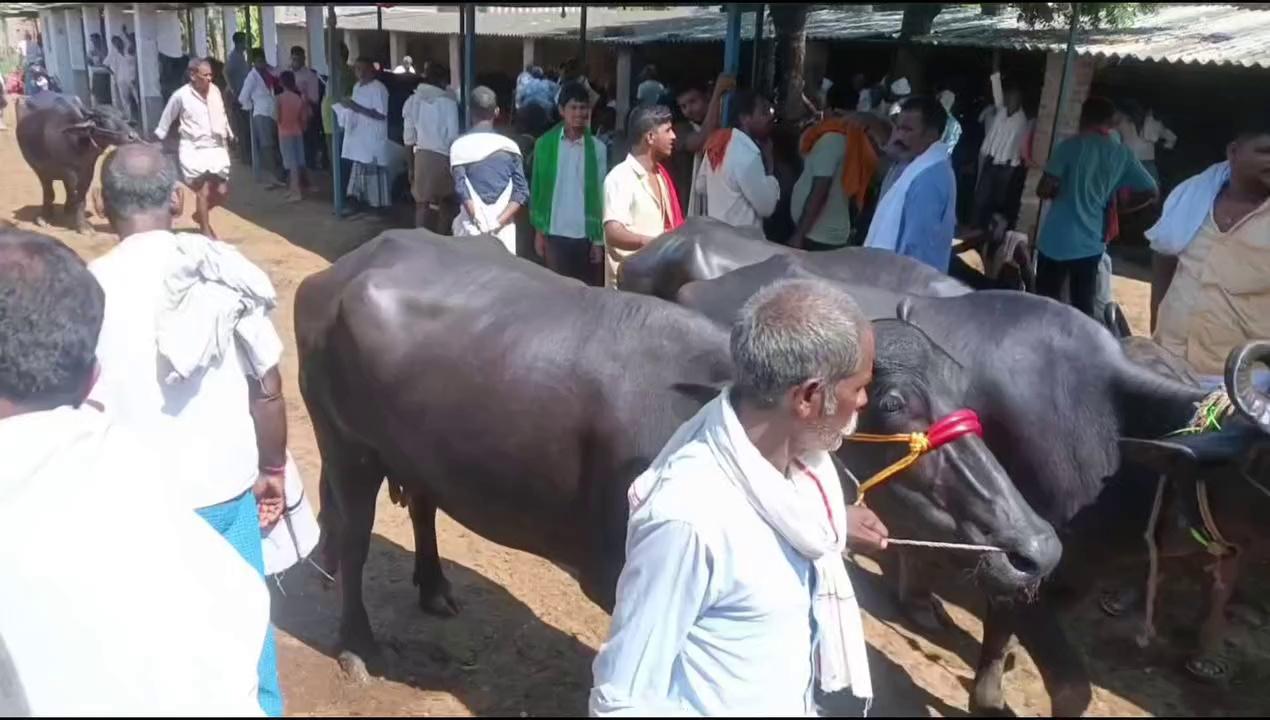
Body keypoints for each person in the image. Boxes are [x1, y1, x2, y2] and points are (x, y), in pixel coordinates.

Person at [0, 228, 269, 716]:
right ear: (92, 379)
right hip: (226, 487)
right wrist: (272, 465)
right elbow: (267, 383)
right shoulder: (212, 565)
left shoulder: (106, 275)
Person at [590, 278, 887, 715]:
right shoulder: (690, 521)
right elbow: (623, 700)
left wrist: (837, 523)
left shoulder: (802, 477)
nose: (863, 401)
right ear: (807, 397)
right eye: (859, 386)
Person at [87, 144, 288, 716]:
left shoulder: (86, 290)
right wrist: (272, 470)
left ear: (101, 204)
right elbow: (267, 389)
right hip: (224, 499)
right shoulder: (222, 273)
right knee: (246, 639)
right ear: (178, 199)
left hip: (129, 508)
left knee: (149, 654)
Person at [1148, 118, 1270, 383]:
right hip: (1169, 366)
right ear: (1234, 152)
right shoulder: (1193, 198)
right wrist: (1157, 326)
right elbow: (1164, 259)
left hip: (1244, 385)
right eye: (1265, 152)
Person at [1036, 96, 1157, 316]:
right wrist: (1119, 210)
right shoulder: (1122, 153)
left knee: (1044, 305)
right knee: (1083, 306)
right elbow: (1151, 190)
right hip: (1091, 242)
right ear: (1110, 122)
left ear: (1084, 117)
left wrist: (1060, 188)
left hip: (1056, 239)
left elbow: (1043, 189)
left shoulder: (1070, 146)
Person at [864, 95, 958, 272]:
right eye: (898, 128)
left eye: (907, 130)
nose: (898, 136)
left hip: (908, 288)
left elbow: (916, 253)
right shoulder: (912, 165)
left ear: (931, 135)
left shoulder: (928, 179)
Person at [530, 81, 608, 284]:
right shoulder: (544, 145)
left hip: (585, 234)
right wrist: (539, 233)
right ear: (561, 111)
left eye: (583, 108)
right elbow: (537, 190)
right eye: (573, 107)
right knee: (557, 292)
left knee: (585, 293)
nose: (579, 113)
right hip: (554, 232)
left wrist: (598, 241)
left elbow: (601, 194)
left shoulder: (598, 149)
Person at [789, 83, 880, 251]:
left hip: (817, 236)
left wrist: (799, 234)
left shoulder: (832, 139)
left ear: (829, 109)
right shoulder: (855, 138)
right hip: (828, 232)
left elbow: (820, 190)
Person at [603, 104, 683, 288]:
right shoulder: (620, 177)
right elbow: (613, 233)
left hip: (656, 281)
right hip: (628, 289)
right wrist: (653, 243)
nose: (674, 136)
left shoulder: (661, 175)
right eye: (668, 130)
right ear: (650, 137)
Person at [153, 58, 234, 238]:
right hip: (193, 148)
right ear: (192, 75)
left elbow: (221, 115)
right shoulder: (180, 96)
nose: (209, 79)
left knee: (222, 191)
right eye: (205, 75)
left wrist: (229, 133)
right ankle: (205, 230)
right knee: (203, 190)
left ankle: (200, 215)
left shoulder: (215, 92)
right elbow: (166, 119)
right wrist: (157, 141)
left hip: (216, 147)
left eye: (211, 75)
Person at [449, 86, 528, 254]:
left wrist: (478, 222)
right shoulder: (510, 147)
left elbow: (461, 189)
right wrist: (496, 223)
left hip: (469, 229)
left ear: (470, 112)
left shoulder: (458, 146)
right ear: (497, 112)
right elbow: (521, 192)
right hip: (503, 232)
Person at [700, 90, 780, 232]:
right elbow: (767, 207)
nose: (770, 117)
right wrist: (770, 167)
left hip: (717, 237)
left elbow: (700, 186)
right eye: (763, 112)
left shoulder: (718, 144)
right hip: (741, 245)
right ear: (744, 118)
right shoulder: (747, 154)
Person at [404, 62, 460, 232]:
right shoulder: (449, 103)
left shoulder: (413, 100)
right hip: (444, 156)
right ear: (444, 81)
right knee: (446, 203)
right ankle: (441, 240)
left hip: (421, 156)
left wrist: (411, 167)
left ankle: (419, 239)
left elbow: (408, 138)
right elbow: (453, 137)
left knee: (421, 204)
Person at [974, 70, 1029, 232]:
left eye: (1012, 99)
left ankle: (990, 233)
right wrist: (995, 76)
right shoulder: (1001, 111)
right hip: (991, 160)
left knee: (998, 201)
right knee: (981, 197)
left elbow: (1017, 147)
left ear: (1019, 101)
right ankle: (976, 228)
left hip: (1007, 166)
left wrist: (1012, 165)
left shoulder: (1021, 121)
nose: (1008, 101)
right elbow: (996, 91)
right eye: (1007, 98)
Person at [670, 74, 734, 216]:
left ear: (707, 96)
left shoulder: (725, 127)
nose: (689, 110)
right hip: (688, 208)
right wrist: (718, 93)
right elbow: (701, 141)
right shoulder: (679, 130)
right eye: (683, 106)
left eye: (693, 101)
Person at [334, 57, 390, 216]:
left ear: (372, 70)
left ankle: (376, 209)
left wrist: (355, 107)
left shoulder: (379, 88)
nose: (361, 73)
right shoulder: (357, 87)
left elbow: (381, 115)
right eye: (358, 69)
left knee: (373, 174)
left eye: (364, 69)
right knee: (359, 172)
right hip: (358, 138)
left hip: (372, 138)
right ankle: (359, 204)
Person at [238, 48, 285, 189]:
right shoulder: (251, 77)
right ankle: (273, 177)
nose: (262, 63)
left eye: (263, 60)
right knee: (267, 146)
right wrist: (251, 106)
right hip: (261, 113)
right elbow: (242, 97)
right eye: (259, 61)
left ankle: (279, 175)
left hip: (272, 113)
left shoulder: (268, 72)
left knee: (274, 145)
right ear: (254, 62)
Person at [1117, 99, 1177, 185]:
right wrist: (1166, 146)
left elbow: (1171, 137)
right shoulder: (1151, 123)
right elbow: (1171, 138)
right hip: (1141, 164)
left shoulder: (1120, 123)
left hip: (1132, 164)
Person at [322, 43, 356, 191]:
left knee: (339, 160)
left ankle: (342, 194)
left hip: (338, 122)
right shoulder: (335, 73)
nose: (327, 58)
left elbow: (344, 97)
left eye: (330, 55)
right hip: (330, 122)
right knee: (334, 159)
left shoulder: (344, 73)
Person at [276, 70, 310, 203]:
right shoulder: (298, 98)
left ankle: (296, 192)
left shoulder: (279, 98)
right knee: (297, 161)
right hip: (297, 131)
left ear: (281, 82)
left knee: (291, 164)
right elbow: (303, 118)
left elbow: (277, 117)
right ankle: (293, 189)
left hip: (284, 133)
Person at [287, 46, 323, 170]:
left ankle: (309, 168)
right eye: (293, 59)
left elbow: (314, 98)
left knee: (306, 143)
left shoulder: (310, 76)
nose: (295, 62)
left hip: (305, 113)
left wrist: (298, 93)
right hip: (289, 114)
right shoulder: (287, 74)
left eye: (298, 59)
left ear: (304, 59)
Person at [224, 32, 250, 161]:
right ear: (239, 43)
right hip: (238, 97)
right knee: (241, 127)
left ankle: (245, 154)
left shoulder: (241, 56)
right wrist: (233, 90)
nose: (246, 44)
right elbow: (226, 72)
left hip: (243, 95)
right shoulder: (234, 57)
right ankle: (243, 155)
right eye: (245, 41)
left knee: (244, 126)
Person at [105, 34, 138, 124]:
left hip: (133, 78)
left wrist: (125, 32)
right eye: (115, 43)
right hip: (121, 79)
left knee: (137, 98)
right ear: (114, 45)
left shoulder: (128, 49)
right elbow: (105, 64)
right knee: (125, 100)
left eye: (118, 41)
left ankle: (141, 117)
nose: (118, 44)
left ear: (121, 41)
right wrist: (113, 73)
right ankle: (130, 118)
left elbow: (133, 43)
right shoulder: (113, 53)